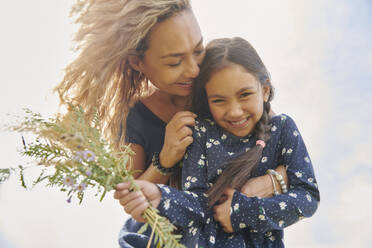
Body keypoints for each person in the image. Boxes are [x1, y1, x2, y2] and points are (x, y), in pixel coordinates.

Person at [55, 0, 288, 247]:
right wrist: (165, 159)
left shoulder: (224, 86)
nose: (194, 70)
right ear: (137, 62)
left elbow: (291, 159)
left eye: (198, 50)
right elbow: (136, 205)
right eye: (174, 62)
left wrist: (263, 186)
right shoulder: (134, 117)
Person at [115, 37, 320, 247]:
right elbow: (198, 204)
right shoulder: (201, 132)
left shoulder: (282, 129)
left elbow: (307, 197)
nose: (234, 111)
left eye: (245, 94)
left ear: (265, 90)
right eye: (219, 100)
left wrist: (247, 211)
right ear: (207, 99)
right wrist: (161, 196)